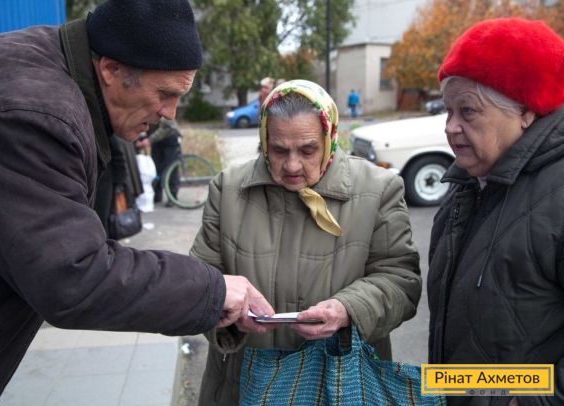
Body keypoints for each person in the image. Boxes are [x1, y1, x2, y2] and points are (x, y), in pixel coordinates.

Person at [0, 0, 273, 404]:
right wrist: (213, 290)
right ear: (110, 69)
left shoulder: (49, 71)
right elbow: (74, 276)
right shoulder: (31, 113)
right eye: (164, 94)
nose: (170, 113)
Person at [191, 79, 422, 405]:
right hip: (244, 383)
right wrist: (225, 310)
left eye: (308, 150)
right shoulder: (228, 188)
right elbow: (200, 280)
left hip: (341, 384)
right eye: (279, 150)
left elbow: (401, 281)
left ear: (329, 137)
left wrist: (347, 310)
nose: (292, 165)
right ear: (264, 139)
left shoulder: (378, 189)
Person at [428, 18, 564, 405]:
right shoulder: (466, 185)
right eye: (448, 111)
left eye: (468, 111)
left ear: (526, 112)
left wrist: (527, 400)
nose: (450, 127)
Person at [149, 118, 183, 206]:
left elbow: (167, 128)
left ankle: (172, 197)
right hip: (157, 142)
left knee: (171, 169)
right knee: (156, 168)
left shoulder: (165, 114)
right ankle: (156, 195)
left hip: (170, 140)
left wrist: (149, 140)